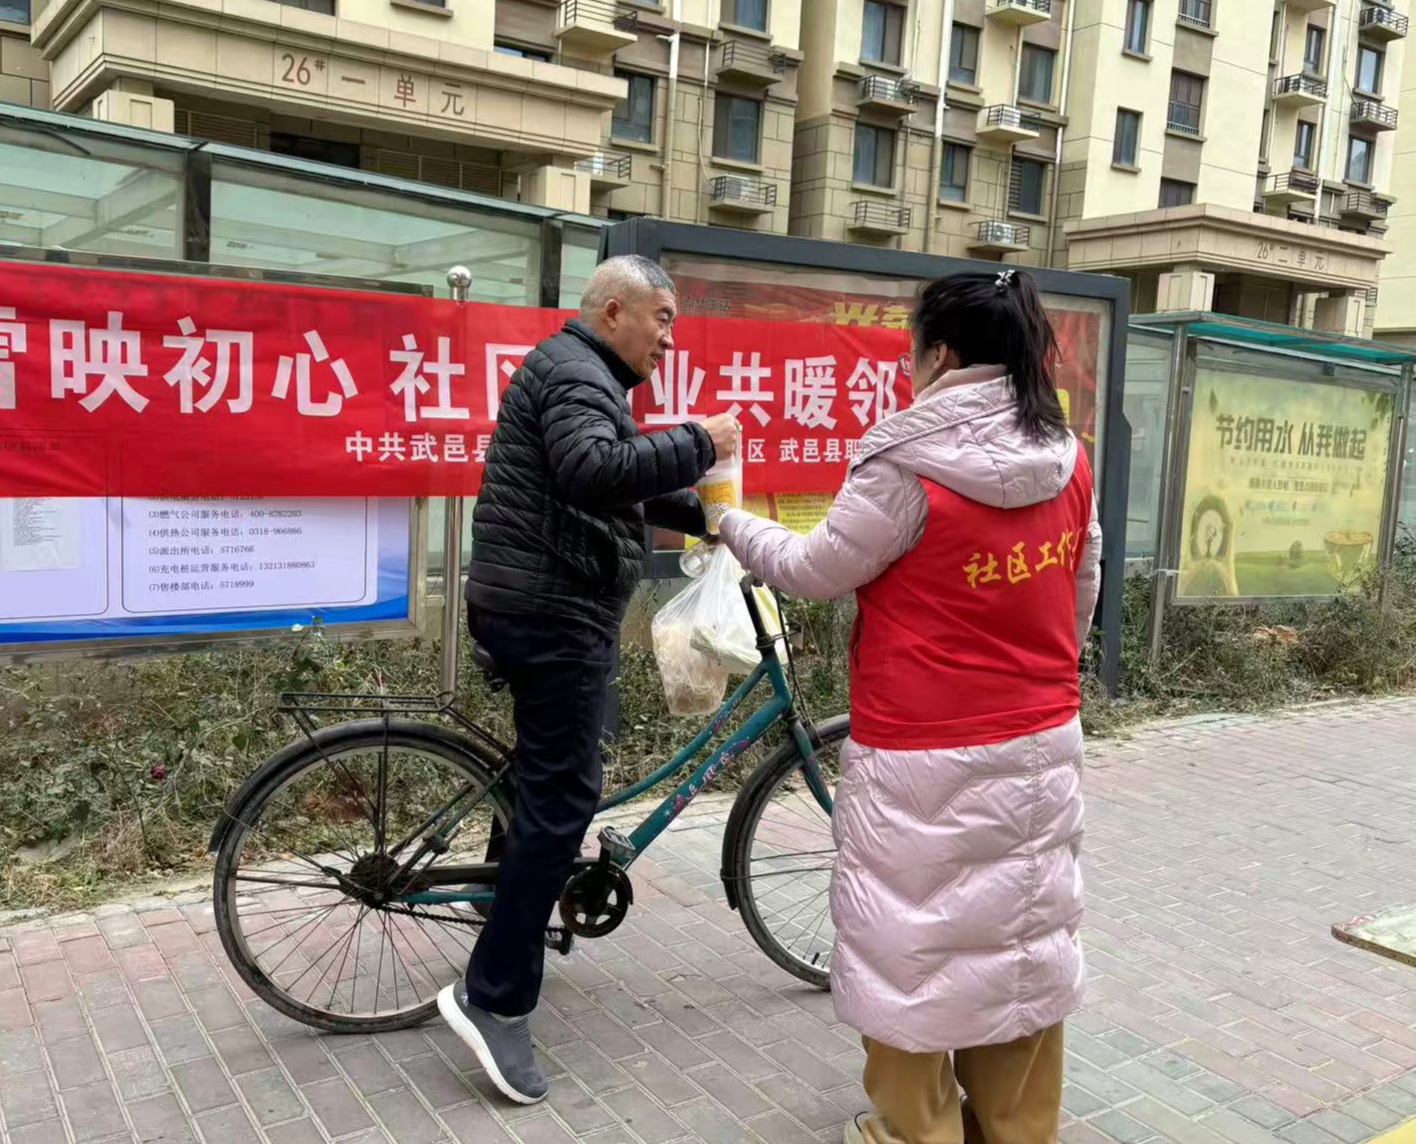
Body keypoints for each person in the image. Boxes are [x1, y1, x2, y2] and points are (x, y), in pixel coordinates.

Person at [717, 269, 1102, 1144]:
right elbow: (1079, 591)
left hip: (919, 747)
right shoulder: (1069, 457)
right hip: (1042, 734)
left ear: (943, 354)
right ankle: (1016, 1127)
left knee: (913, 949)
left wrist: (728, 521)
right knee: (1021, 940)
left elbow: (813, 569)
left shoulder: (905, 464)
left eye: (912, 350)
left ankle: (918, 1131)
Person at [438, 255, 739, 1105]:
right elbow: (591, 470)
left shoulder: (582, 371)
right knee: (565, 798)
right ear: (613, 312)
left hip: (535, 603)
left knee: (547, 776)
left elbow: (610, 483)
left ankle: (503, 902)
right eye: (662, 318)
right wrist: (701, 442)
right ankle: (493, 998)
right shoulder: (578, 373)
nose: (669, 338)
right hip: (550, 614)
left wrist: (707, 514)